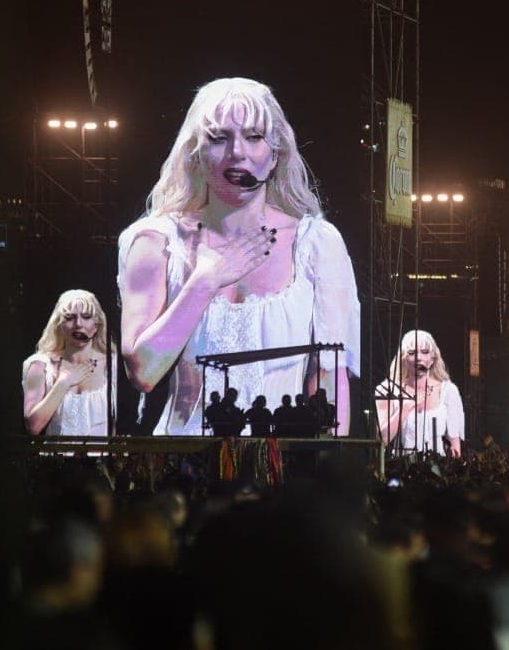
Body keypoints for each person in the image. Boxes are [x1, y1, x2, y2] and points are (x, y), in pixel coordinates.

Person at [117, 77, 360, 436]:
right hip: (183, 465)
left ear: (275, 152)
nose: (237, 152)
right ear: (196, 153)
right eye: (219, 138)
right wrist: (204, 282)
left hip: (284, 467)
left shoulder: (317, 244)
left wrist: (322, 477)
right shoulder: (156, 241)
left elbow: (328, 378)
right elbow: (143, 373)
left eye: (254, 136)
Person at [23, 290, 115, 436]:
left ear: (97, 324)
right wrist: (63, 383)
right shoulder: (40, 366)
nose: (78, 324)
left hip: (102, 458)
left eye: (86, 317)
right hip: (55, 458)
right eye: (70, 318)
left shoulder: (113, 365)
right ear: (59, 324)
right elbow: (33, 426)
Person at [374, 330, 465, 456]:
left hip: (438, 468)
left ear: (433, 358)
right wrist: (405, 407)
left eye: (425, 352)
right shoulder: (387, 390)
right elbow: (382, 439)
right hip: (400, 467)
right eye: (412, 353)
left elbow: (455, 443)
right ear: (404, 358)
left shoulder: (448, 391)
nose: (419, 358)